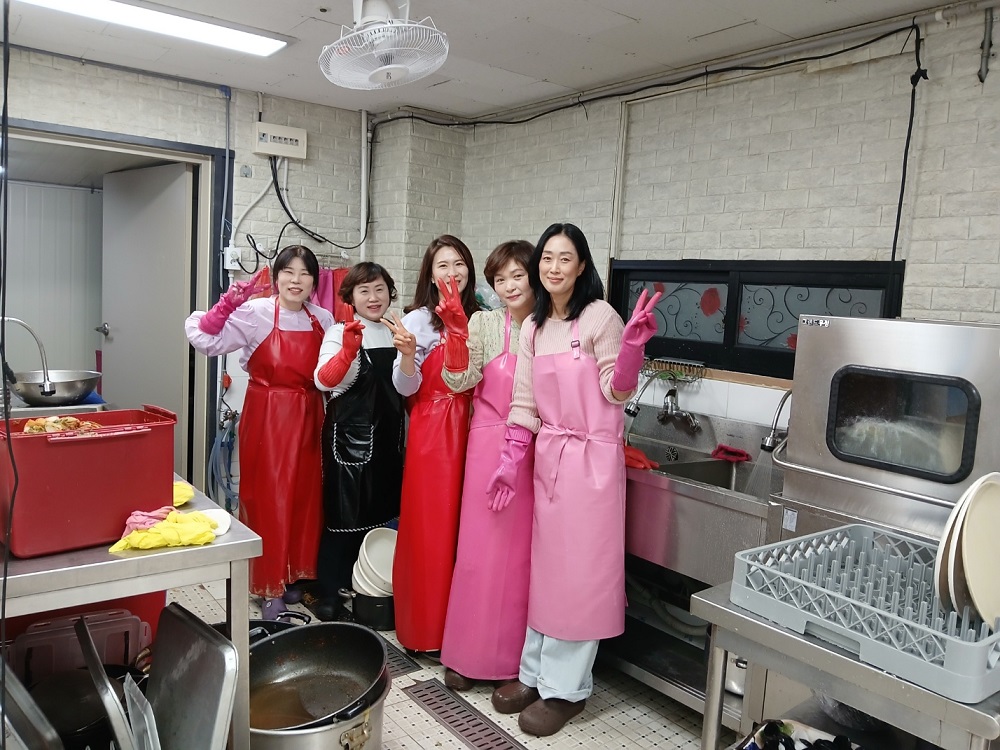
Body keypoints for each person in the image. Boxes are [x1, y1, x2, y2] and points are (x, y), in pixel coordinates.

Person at [486, 223, 661, 736]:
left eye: (565, 258)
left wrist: (631, 351)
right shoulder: (533, 327)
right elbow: (524, 402)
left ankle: (567, 690)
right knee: (547, 572)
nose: (554, 267)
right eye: (547, 257)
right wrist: (511, 459)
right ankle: (534, 674)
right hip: (551, 460)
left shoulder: (600, 316)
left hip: (592, 465)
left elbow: (616, 392)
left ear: (582, 265)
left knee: (580, 577)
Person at [185, 245, 334, 620]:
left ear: (314, 281)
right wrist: (226, 305)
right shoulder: (257, 313)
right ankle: (267, 586)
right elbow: (205, 339)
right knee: (269, 499)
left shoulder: (323, 318)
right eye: (288, 272)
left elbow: (332, 371)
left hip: (310, 413)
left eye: (305, 273)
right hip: (267, 413)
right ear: (276, 276)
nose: (296, 280)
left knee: (304, 498)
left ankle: (292, 573)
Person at [438, 240, 536, 691]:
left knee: (518, 557)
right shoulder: (483, 322)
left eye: (517, 275)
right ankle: (465, 654)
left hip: (530, 448)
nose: (509, 286)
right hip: (484, 444)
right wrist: (457, 335)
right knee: (477, 551)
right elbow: (460, 380)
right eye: (500, 279)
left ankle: (512, 662)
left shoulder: (549, 327)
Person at [383, 235, 480, 654]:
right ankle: (425, 629)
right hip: (432, 432)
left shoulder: (483, 318)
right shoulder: (418, 321)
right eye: (443, 265)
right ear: (430, 273)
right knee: (429, 528)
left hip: (477, 428)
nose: (452, 272)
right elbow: (405, 387)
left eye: (459, 264)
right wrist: (407, 355)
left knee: (468, 530)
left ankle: (463, 631)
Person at [311, 262, 405, 619]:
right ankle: (329, 593)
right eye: (364, 290)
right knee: (344, 519)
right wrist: (347, 352)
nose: (373, 297)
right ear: (350, 297)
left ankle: (366, 584)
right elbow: (323, 380)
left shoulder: (397, 330)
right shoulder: (339, 332)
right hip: (348, 441)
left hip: (388, 440)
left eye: (379, 289)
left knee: (380, 517)